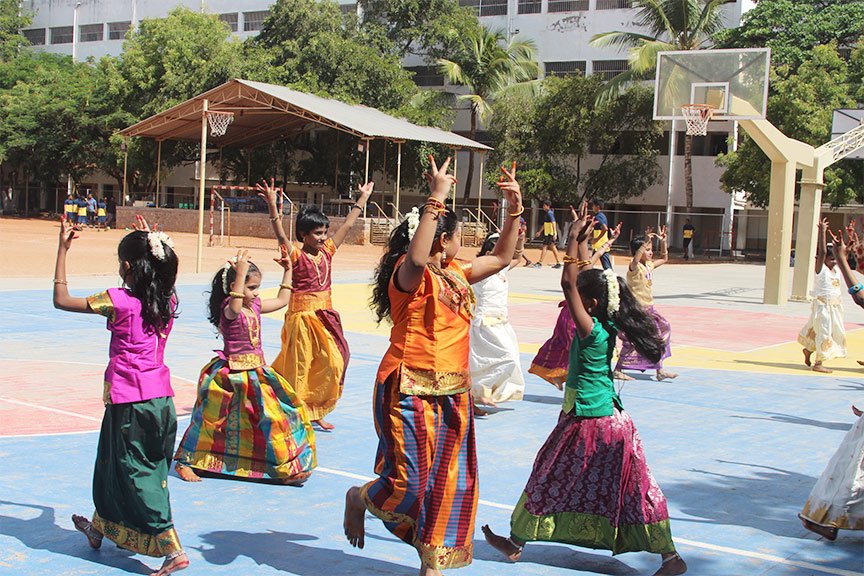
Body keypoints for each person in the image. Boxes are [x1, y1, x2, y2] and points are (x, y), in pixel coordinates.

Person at [482, 202, 687, 576]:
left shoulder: (592, 331)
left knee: (547, 474)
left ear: (590, 304)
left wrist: (573, 237)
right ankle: (670, 557)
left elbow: (568, 282)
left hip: (589, 421)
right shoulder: (606, 326)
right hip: (610, 421)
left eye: (581, 297)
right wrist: (577, 244)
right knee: (635, 488)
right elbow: (582, 280)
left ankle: (516, 542)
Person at [343, 156, 523, 575]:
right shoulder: (408, 278)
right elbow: (419, 259)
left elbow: (500, 258)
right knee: (409, 482)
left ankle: (432, 562)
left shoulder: (458, 273)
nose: (463, 240)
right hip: (407, 387)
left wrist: (514, 209)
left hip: (454, 393)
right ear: (443, 239)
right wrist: (436, 198)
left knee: (449, 483)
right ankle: (359, 497)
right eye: (458, 234)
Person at [54, 215, 189, 576]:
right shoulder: (165, 299)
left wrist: (62, 250)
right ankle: (101, 529)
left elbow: (61, 299)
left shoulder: (119, 300)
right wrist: (149, 241)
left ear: (126, 266)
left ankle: (171, 547)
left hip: (129, 401)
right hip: (161, 400)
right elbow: (163, 273)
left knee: (134, 471)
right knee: (116, 466)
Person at [173, 246, 316, 484]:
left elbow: (282, 299)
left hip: (257, 374)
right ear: (235, 288)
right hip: (230, 376)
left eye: (257, 287)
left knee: (273, 419)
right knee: (211, 422)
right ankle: (185, 462)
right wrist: (240, 274)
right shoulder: (230, 310)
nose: (256, 293)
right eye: (251, 288)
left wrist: (289, 270)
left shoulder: (255, 306)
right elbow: (235, 305)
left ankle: (280, 468)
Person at [258, 179, 373, 431]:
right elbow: (279, 232)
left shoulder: (328, 251)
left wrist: (362, 199)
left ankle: (316, 408)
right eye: (317, 233)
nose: (323, 237)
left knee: (333, 362)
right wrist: (272, 206)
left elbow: (349, 225)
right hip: (301, 318)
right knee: (300, 368)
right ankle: (299, 413)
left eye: (324, 232)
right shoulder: (296, 255)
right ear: (303, 235)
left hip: (324, 316)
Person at [528, 224, 621, 389]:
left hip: (580, 313)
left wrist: (609, 240)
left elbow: (598, 253)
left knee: (573, 347)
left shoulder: (587, 267)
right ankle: (560, 375)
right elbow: (569, 282)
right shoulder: (576, 270)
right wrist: (578, 239)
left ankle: (563, 376)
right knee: (566, 346)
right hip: (571, 313)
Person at [469, 228, 527, 415]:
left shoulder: (501, 271)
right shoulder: (480, 271)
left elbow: (517, 258)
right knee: (502, 360)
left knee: (504, 361)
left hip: (501, 324)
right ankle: (477, 396)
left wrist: (519, 240)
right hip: (485, 325)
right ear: (487, 254)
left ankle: (475, 398)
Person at [614, 227, 678, 382]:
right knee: (633, 340)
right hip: (636, 310)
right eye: (647, 250)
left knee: (662, 331)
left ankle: (659, 369)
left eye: (650, 249)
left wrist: (663, 242)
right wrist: (645, 242)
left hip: (649, 309)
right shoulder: (634, 268)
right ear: (639, 251)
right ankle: (618, 370)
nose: (650, 252)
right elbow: (635, 259)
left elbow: (664, 258)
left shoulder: (649, 265)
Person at [797, 217, 846, 374]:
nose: (832, 258)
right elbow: (822, 251)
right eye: (829, 256)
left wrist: (843, 243)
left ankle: (809, 351)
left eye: (834, 256)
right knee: (824, 332)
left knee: (826, 332)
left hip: (835, 307)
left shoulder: (836, 270)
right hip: (823, 307)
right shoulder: (821, 270)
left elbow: (842, 254)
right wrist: (822, 232)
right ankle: (818, 363)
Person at [533, 199, 561, 268]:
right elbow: (545, 224)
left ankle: (540, 263)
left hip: (549, 234)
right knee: (553, 247)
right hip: (547, 233)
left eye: (544, 205)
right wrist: (539, 232)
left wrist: (555, 233)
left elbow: (553, 222)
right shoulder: (547, 213)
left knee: (545, 247)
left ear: (548, 206)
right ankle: (558, 263)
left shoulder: (549, 213)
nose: (543, 207)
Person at [589, 198, 612, 270]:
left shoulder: (599, 216)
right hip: (598, 245)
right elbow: (597, 230)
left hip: (601, 245)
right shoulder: (599, 216)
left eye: (593, 205)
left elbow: (605, 228)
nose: (592, 207)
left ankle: (612, 279)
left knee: (607, 268)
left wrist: (596, 239)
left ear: (597, 206)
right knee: (590, 264)